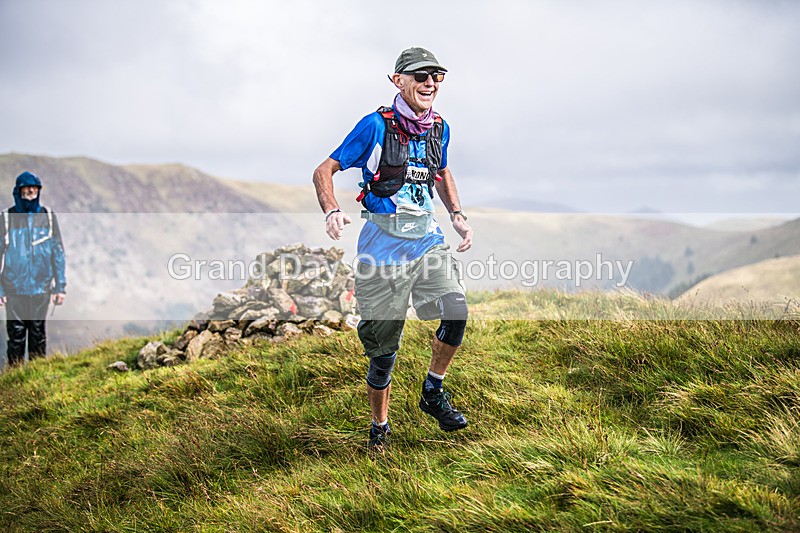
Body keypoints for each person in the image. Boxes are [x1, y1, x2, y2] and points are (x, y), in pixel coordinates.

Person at [312, 46, 474, 449]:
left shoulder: (440, 127)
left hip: (426, 241)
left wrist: (456, 213)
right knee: (384, 352)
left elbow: (441, 170)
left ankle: (433, 391)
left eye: (436, 77)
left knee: (456, 311)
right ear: (397, 81)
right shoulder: (374, 125)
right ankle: (379, 427)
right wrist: (332, 210)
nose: (430, 83)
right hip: (381, 251)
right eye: (420, 76)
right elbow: (324, 169)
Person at [0, 171, 67, 367]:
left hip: (41, 289)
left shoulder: (47, 216)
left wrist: (60, 287)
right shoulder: (5, 218)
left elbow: (58, 252)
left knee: (38, 333)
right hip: (14, 289)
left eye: (35, 187)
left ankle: (38, 377)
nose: (31, 191)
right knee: (16, 336)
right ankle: (15, 378)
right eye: (26, 187)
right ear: (18, 190)